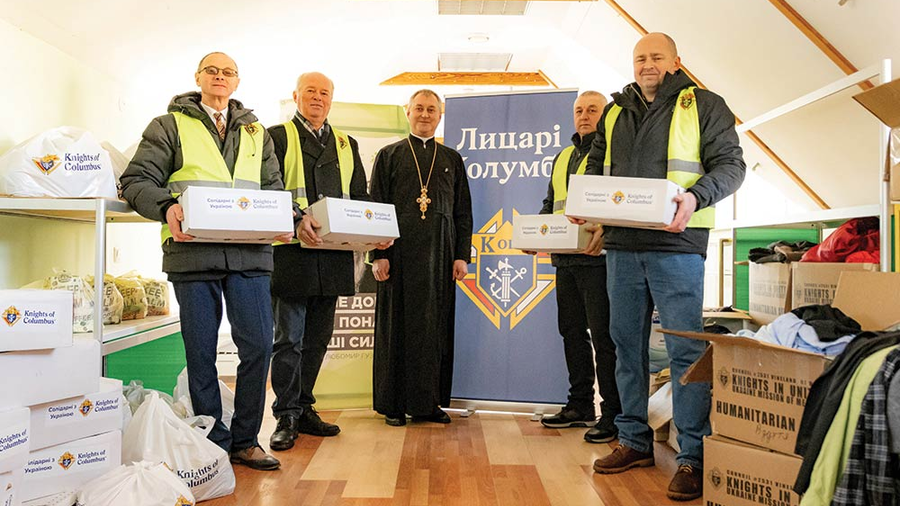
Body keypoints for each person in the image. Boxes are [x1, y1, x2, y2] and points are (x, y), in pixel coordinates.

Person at [582, 33, 745, 501]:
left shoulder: (705, 104)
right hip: (622, 246)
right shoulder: (615, 111)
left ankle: (692, 456)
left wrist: (696, 197)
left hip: (678, 245)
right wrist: (583, 201)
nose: (647, 64)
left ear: (675, 61)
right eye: (639, 58)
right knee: (624, 346)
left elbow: (732, 166)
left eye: (656, 57)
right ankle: (633, 440)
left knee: (685, 353)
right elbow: (596, 167)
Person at [120, 52, 291, 471]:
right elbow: (135, 180)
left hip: (250, 254)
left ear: (237, 82)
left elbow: (272, 187)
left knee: (257, 347)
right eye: (211, 70)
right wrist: (167, 207)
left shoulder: (256, 131)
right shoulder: (168, 125)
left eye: (227, 72)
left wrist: (286, 218)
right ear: (198, 77)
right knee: (201, 352)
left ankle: (247, 440)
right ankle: (213, 440)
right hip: (192, 253)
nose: (219, 77)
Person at [266, 72, 384, 451]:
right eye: (311, 92)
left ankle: (304, 407)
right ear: (296, 95)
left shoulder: (347, 144)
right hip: (291, 253)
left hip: (333, 256)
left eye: (324, 93)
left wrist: (375, 232)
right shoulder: (276, 136)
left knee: (317, 339)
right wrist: (296, 216)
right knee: (289, 339)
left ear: (332, 100)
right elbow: (267, 188)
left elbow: (360, 196)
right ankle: (284, 413)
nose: (318, 98)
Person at [369, 89, 473, 426]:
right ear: (407, 111)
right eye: (419, 108)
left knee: (433, 329)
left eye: (431, 109)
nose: (425, 115)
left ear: (440, 115)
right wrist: (378, 255)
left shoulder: (452, 159)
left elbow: (463, 213)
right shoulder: (389, 155)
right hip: (397, 257)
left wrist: (461, 256)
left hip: (440, 259)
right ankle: (394, 405)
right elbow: (376, 208)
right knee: (395, 328)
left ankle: (427, 404)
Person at [528, 91, 622, 444]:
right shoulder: (563, 155)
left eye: (592, 110)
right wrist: (534, 234)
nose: (585, 115)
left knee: (603, 338)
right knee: (571, 333)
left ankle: (612, 413)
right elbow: (551, 204)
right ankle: (580, 405)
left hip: (599, 260)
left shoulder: (614, 151)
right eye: (579, 110)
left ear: (604, 115)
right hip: (564, 259)